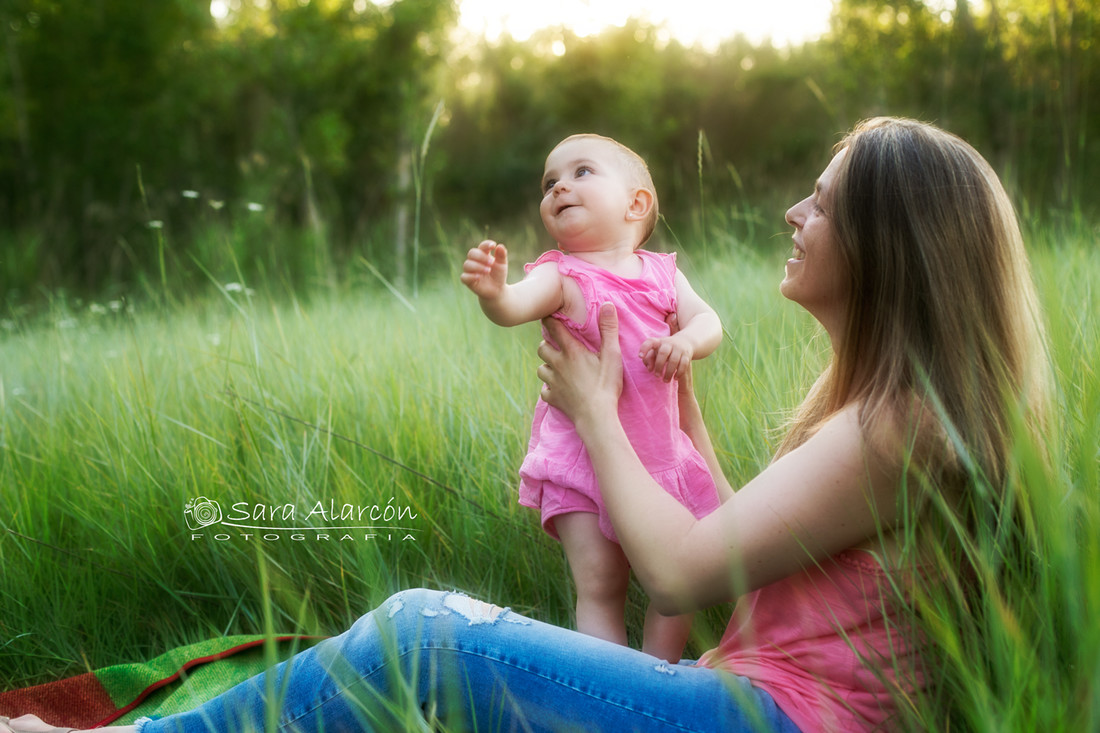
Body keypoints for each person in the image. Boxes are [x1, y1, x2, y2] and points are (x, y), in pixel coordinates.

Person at [1, 117, 1051, 732]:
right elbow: (744, 559)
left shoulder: (904, 423)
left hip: (772, 719)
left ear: (887, 240)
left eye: (820, 203)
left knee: (424, 631)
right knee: (418, 642)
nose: (794, 214)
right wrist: (679, 428)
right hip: (749, 699)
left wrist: (595, 414)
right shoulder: (878, 408)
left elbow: (680, 575)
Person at [459, 133, 724, 663]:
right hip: (582, 463)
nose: (559, 187)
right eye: (549, 182)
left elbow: (708, 321)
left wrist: (685, 342)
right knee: (601, 583)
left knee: (680, 584)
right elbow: (515, 306)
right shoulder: (560, 274)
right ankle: (610, 681)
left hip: (661, 457)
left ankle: (659, 674)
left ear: (636, 204)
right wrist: (494, 294)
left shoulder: (663, 273)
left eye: (581, 172)